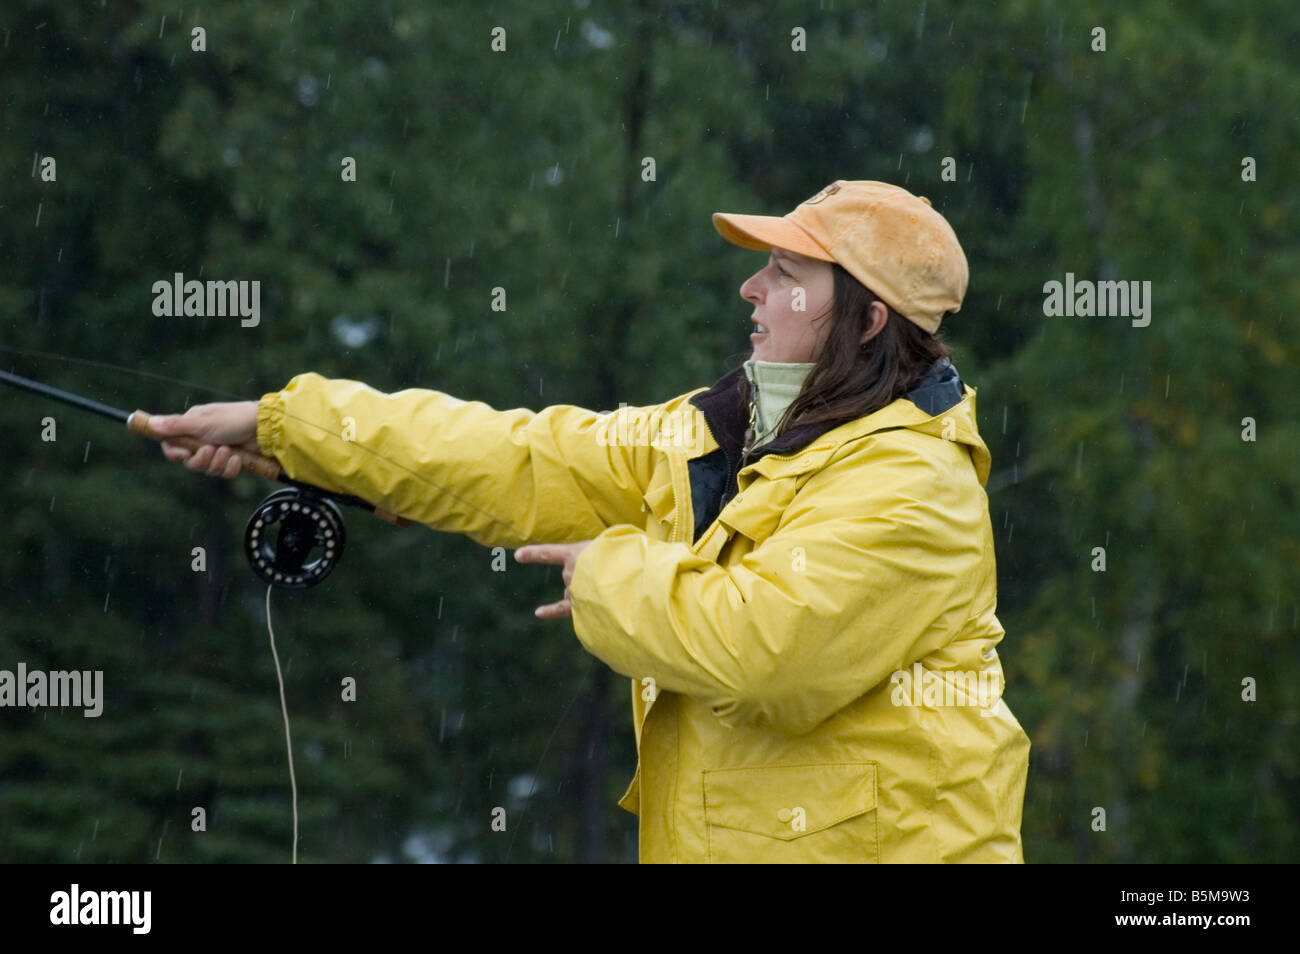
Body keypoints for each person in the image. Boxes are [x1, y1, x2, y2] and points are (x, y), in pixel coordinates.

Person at [150, 179, 1031, 863]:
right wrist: (289, 430)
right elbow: (517, 460)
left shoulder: (914, 482)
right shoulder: (717, 429)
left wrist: (608, 575)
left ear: (868, 321)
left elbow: (763, 651)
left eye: (787, 274)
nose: (750, 287)